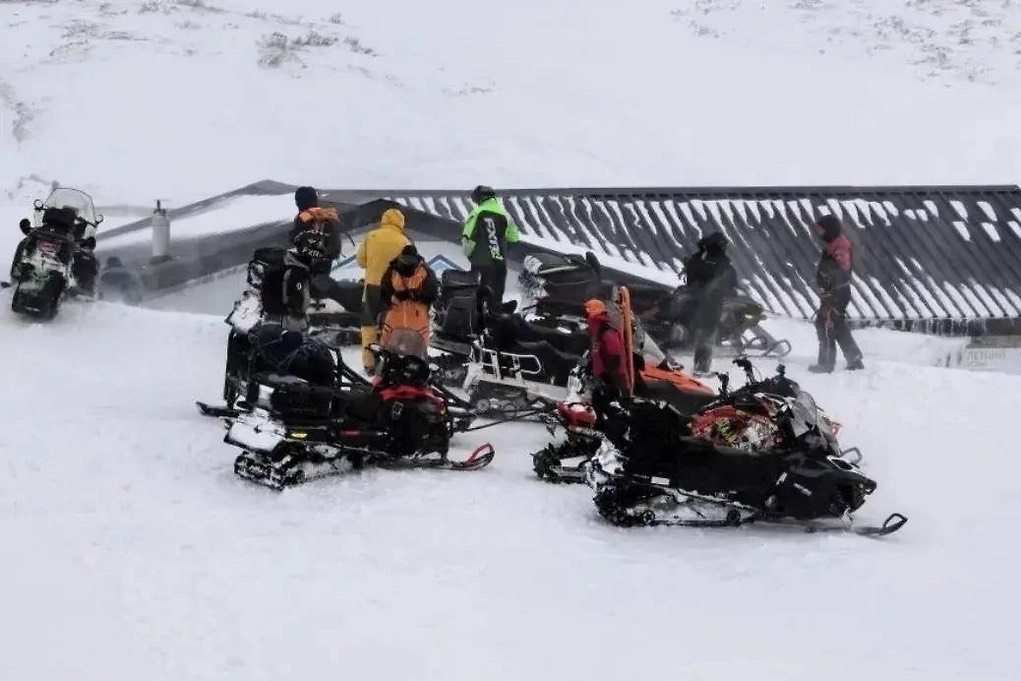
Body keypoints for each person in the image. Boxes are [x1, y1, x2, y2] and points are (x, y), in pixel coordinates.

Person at [356, 207, 412, 373]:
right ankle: (390, 363)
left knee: (368, 327)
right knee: (394, 327)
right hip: (394, 290)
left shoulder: (371, 236)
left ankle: (369, 364)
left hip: (372, 286)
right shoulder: (404, 242)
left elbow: (361, 261)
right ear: (400, 223)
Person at [810, 214, 864, 373]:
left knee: (825, 324)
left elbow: (843, 268)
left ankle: (826, 363)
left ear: (830, 230)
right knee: (837, 323)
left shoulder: (840, 246)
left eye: (822, 230)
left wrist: (829, 283)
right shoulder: (833, 244)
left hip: (836, 292)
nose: (819, 234)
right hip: (834, 291)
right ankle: (854, 358)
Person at [681, 231, 738, 374]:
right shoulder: (723, 262)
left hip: (695, 303)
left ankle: (698, 365)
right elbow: (731, 282)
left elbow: (690, 278)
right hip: (712, 305)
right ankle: (702, 367)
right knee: (707, 335)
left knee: (701, 334)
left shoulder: (697, 258)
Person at [10, 208, 98, 296]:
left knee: (85, 258)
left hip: (61, 281)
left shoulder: (71, 237)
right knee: (25, 243)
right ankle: (17, 273)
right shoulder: (40, 233)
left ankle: (80, 290)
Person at [377, 244, 440, 359]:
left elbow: (432, 294)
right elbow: (383, 291)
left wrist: (412, 295)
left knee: (417, 357)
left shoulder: (426, 272)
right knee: (387, 354)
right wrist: (391, 297)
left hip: (417, 323)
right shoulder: (392, 270)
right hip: (394, 321)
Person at [461, 185, 520, 305]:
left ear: (479, 198)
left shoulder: (477, 213)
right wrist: (502, 251)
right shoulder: (505, 214)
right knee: (496, 297)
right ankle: (496, 318)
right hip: (499, 263)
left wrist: (469, 254)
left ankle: (478, 320)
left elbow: (467, 237)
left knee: (477, 297)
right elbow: (514, 238)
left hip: (480, 262)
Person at [583, 298, 633, 417]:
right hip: (604, 378)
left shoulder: (608, 332)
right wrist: (590, 368)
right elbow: (597, 354)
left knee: (607, 408)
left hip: (614, 379)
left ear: (593, 312)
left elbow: (614, 356)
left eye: (587, 312)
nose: (585, 316)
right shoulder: (597, 332)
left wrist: (607, 377)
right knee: (596, 404)